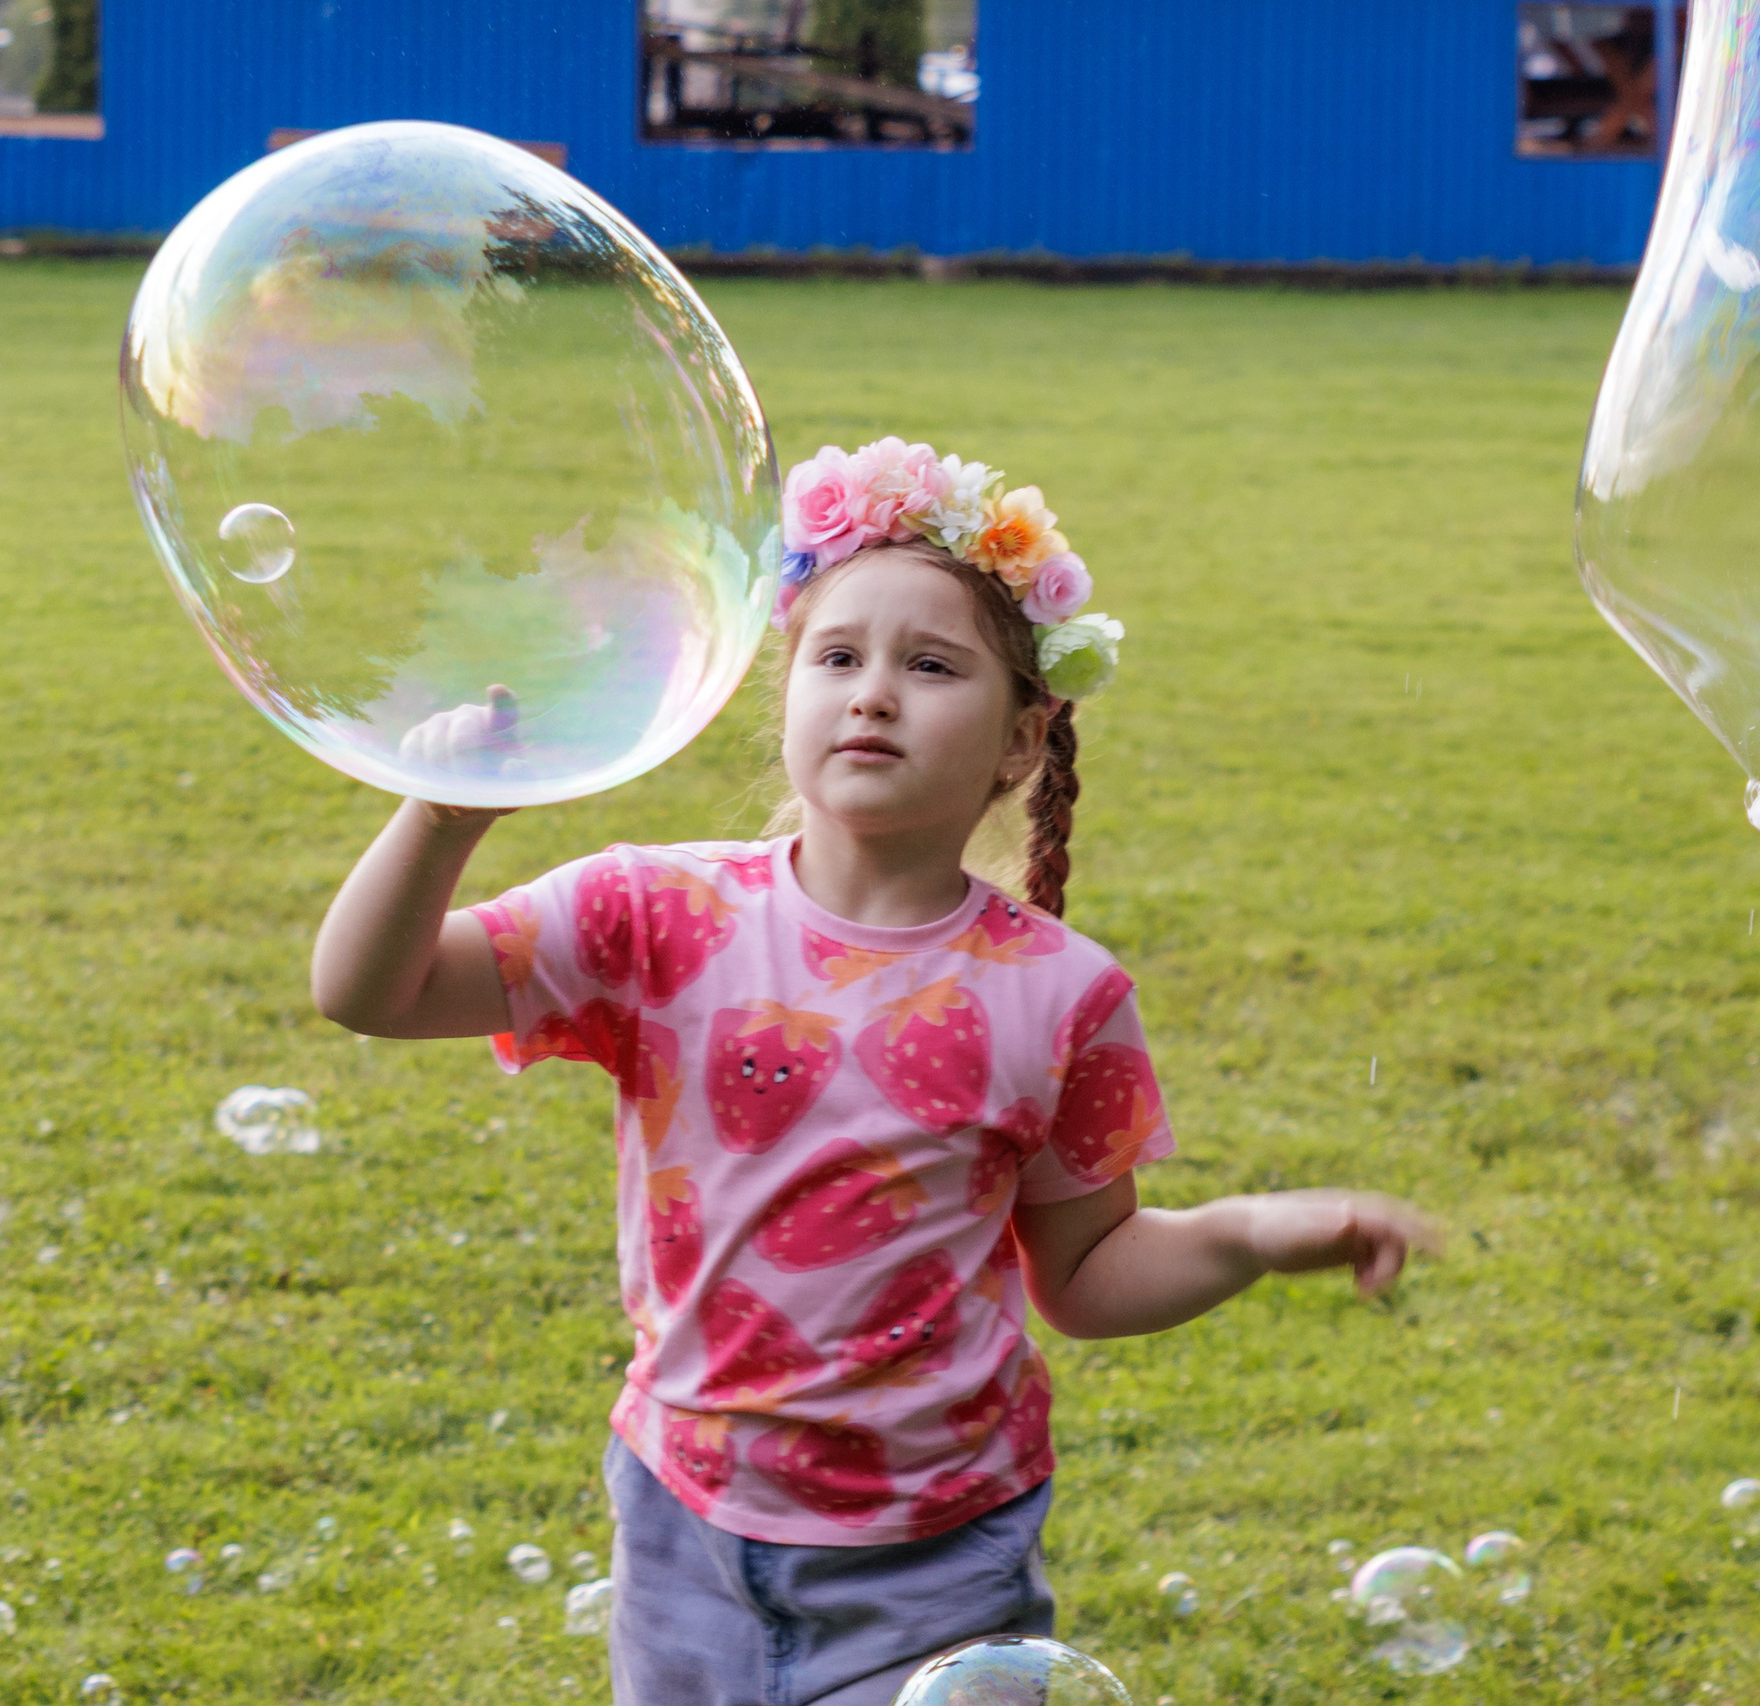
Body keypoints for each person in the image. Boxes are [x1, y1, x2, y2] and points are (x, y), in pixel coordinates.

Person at [310, 438, 1433, 1706]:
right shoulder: (654, 912)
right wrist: (439, 816)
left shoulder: (1062, 991)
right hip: (690, 1519)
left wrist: (1244, 1234)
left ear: (1019, 741)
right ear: (785, 692)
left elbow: (1082, 1275)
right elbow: (371, 990)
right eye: (837, 657)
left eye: (930, 664)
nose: (873, 693)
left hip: (937, 1548)